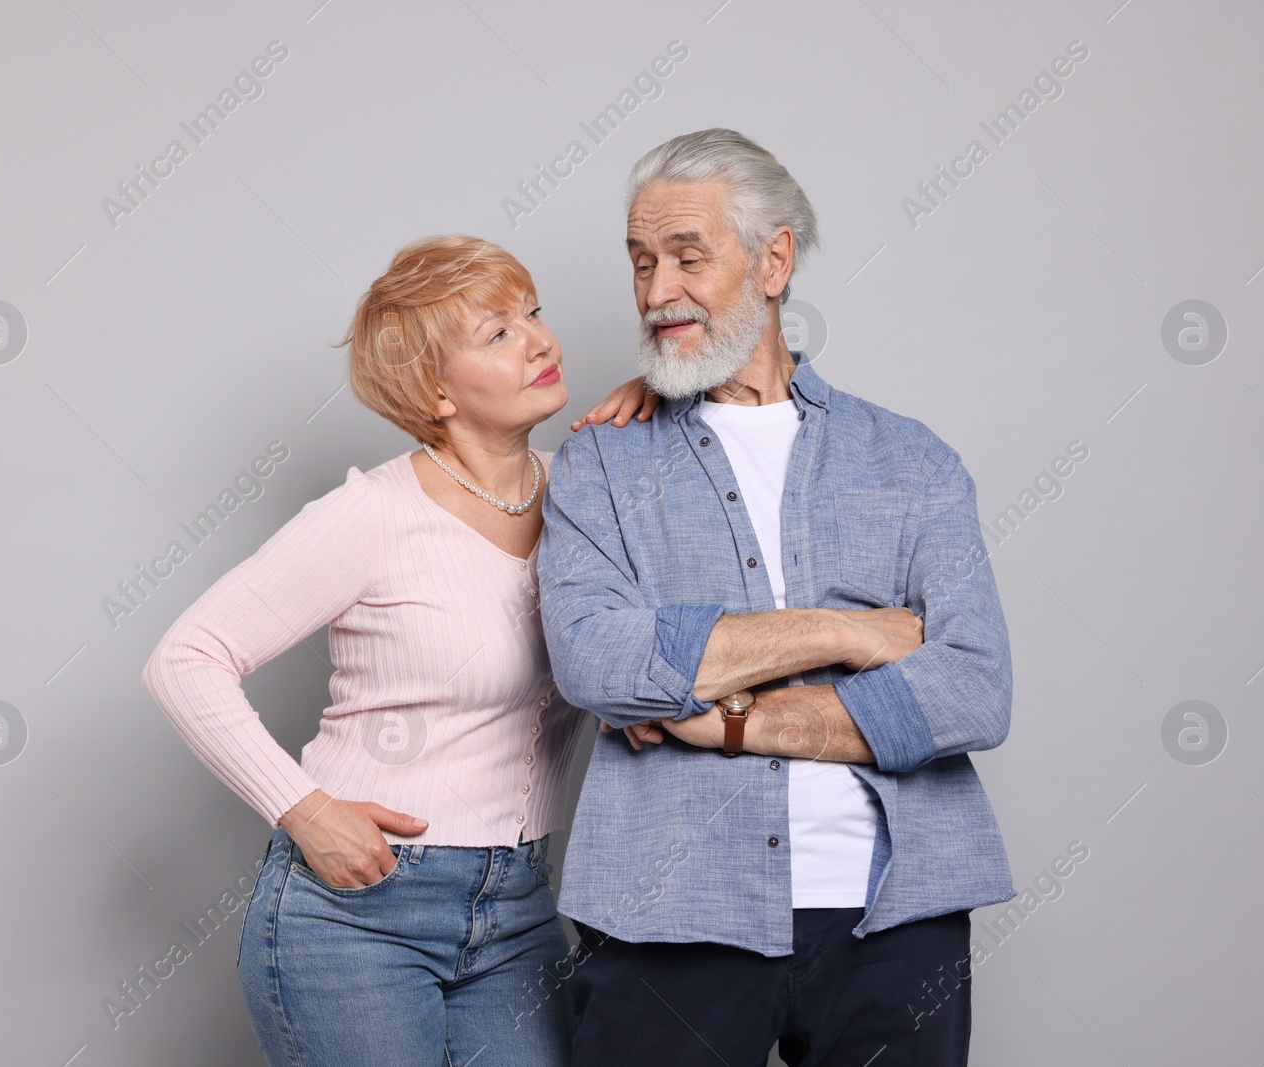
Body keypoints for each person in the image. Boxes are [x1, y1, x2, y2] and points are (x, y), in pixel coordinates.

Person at [537, 128, 1016, 1066]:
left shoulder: (911, 460)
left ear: (774, 258)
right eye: (640, 262)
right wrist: (849, 630)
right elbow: (600, 663)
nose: (655, 291)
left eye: (687, 255)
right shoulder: (599, 461)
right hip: (667, 910)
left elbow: (973, 688)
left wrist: (719, 716)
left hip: (897, 915)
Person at [140, 235, 657, 1067]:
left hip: (521, 906)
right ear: (434, 391)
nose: (540, 341)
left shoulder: (589, 498)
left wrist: (667, 400)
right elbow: (184, 658)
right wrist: (307, 812)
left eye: (532, 312)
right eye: (497, 334)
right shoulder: (374, 513)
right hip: (359, 910)